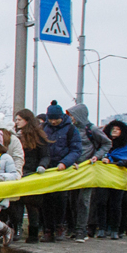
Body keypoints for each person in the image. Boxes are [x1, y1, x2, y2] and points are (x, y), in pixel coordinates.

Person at [65, 103, 111, 241]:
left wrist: (97, 156)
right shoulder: (70, 129)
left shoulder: (92, 129)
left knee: (83, 200)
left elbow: (107, 143)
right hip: (73, 169)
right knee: (72, 200)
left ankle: (81, 230)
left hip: (87, 169)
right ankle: (73, 228)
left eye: (72, 115)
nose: (71, 117)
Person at [40, 101, 82, 242]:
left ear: (61, 117)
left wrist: (65, 162)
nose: (53, 122)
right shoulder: (43, 128)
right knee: (46, 200)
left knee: (60, 200)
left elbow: (76, 150)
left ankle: (59, 227)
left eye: (55, 119)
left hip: (62, 169)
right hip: (46, 169)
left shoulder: (71, 129)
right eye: (51, 119)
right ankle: (47, 229)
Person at [97, 119, 127, 239]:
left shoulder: (126, 146)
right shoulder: (103, 144)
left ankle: (115, 229)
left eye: (117, 129)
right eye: (113, 129)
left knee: (116, 204)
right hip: (103, 177)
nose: (115, 131)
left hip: (118, 178)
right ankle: (101, 228)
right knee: (101, 202)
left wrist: (119, 162)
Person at [11, 109, 51, 243]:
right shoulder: (15, 136)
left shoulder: (38, 137)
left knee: (32, 205)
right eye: (16, 120)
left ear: (27, 120)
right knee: (16, 203)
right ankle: (17, 230)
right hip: (18, 172)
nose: (16, 122)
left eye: (19, 120)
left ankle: (33, 234)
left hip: (33, 173)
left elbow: (45, 155)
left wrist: (42, 166)